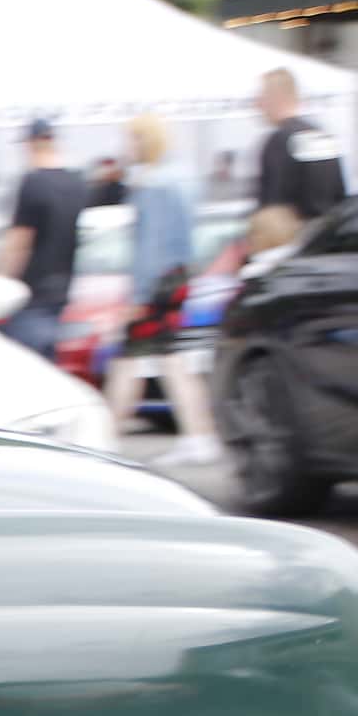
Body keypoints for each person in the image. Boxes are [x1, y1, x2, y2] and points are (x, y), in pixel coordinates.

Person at [100, 113, 219, 460]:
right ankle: (199, 434)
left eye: (130, 139)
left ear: (142, 141)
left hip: (155, 283)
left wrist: (137, 296)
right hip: (177, 278)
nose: (126, 147)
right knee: (170, 358)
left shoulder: (151, 185)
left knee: (130, 360)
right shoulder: (182, 178)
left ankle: (104, 439)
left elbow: (149, 245)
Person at [0, 117, 89, 361]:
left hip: (31, 294)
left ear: (31, 144)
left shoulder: (33, 183)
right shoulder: (76, 182)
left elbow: (19, 243)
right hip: (62, 291)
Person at [252, 67, 349, 235]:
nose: (258, 105)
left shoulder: (278, 141)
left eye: (262, 98)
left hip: (293, 238)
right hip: (326, 235)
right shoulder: (321, 136)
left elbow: (273, 206)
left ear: (276, 97)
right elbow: (339, 192)